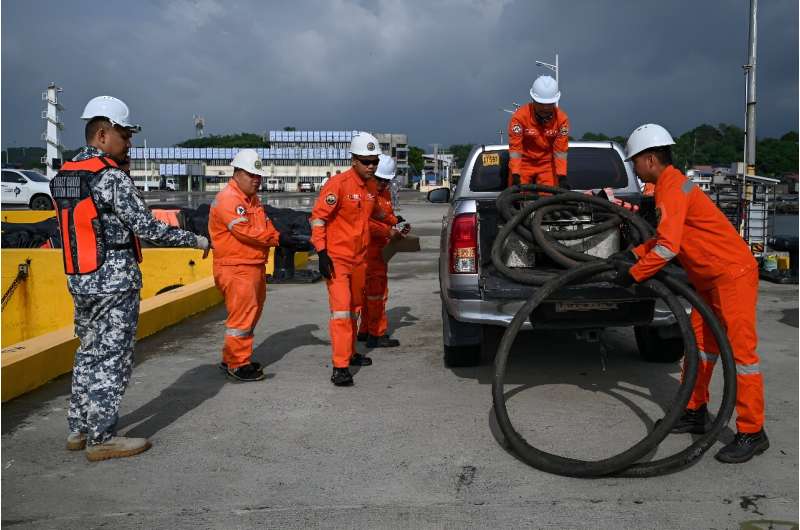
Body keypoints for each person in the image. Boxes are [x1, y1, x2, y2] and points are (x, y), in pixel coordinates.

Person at [50, 95, 210, 461]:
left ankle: (79, 428)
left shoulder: (66, 174)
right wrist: (195, 239)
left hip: (80, 277)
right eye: (125, 134)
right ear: (103, 134)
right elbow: (148, 228)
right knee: (113, 359)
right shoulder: (110, 177)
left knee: (88, 352)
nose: (129, 142)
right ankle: (102, 438)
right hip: (113, 281)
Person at [614, 123, 767, 463]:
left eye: (635, 162)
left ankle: (752, 431)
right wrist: (633, 255)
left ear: (650, 159)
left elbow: (668, 248)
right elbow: (668, 239)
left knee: (741, 357)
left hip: (732, 275)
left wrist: (635, 275)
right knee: (700, 347)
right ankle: (695, 411)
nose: (635, 170)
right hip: (709, 280)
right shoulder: (672, 184)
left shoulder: (671, 188)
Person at [209, 149, 293, 382]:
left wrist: (278, 236)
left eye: (258, 176)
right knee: (242, 318)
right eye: (251, 175)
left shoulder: (251, 200)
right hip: (236, 267)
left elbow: (265, 226)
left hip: (251, 265)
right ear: (236, 173)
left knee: (250, 314)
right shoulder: (229, 199)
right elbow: (245, 232)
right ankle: (238, 364)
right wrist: (278, 239)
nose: (256, 180)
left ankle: (232, 358)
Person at [310, 132, 387, 386]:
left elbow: (376, 212)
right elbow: (318, 218)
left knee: (354, 308)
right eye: (366, 161)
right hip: (337, 260)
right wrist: (321, 252)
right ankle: (340, 367)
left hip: (360, 260)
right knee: (342, 312)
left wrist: (395, 222)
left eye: (374, 161)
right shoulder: (338, 185)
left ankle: (351, 352)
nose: (371, 166)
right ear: (353, 160)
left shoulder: (372, 187)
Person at [357, 154, 410, 348]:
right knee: (376, 294)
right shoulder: (364, 193)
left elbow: (386, 215)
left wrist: (397, 223)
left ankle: (364, 330)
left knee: (369, 293)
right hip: (368, 249)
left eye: (386, 181)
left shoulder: (384, 192)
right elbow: (366, 222)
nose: (382, 184)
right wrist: (389, 230)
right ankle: (376, 333)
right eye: (379, 180)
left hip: (380, 248)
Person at [507, 75, 570, 189]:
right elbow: (515, 148)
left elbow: (560, 151)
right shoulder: (519, 117)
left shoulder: (561, 120)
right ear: (533, 100)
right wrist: (515, 173)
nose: (545, 108)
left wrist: (562, 176)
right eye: (541, 104)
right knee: (517, 197)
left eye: (549, 104)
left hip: (547, 164)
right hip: (523, 163)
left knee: (549, 198)